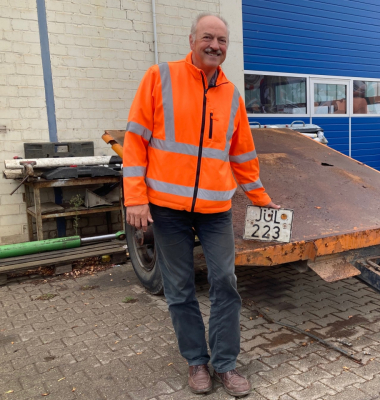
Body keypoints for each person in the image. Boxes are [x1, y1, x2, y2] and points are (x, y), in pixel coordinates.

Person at [122, 13, 279, 397]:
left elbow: (243, 156)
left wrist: (263, 200)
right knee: (179, 288)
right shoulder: (159, 77)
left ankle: (225, 364)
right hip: (167, 209)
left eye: (222, 40)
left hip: (215, 210)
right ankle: (196, 362)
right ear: (192, 39)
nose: (215, 45)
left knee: (225, 282)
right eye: (208, 37)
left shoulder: (232, 95)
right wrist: (136, 198)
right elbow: (135, 141)